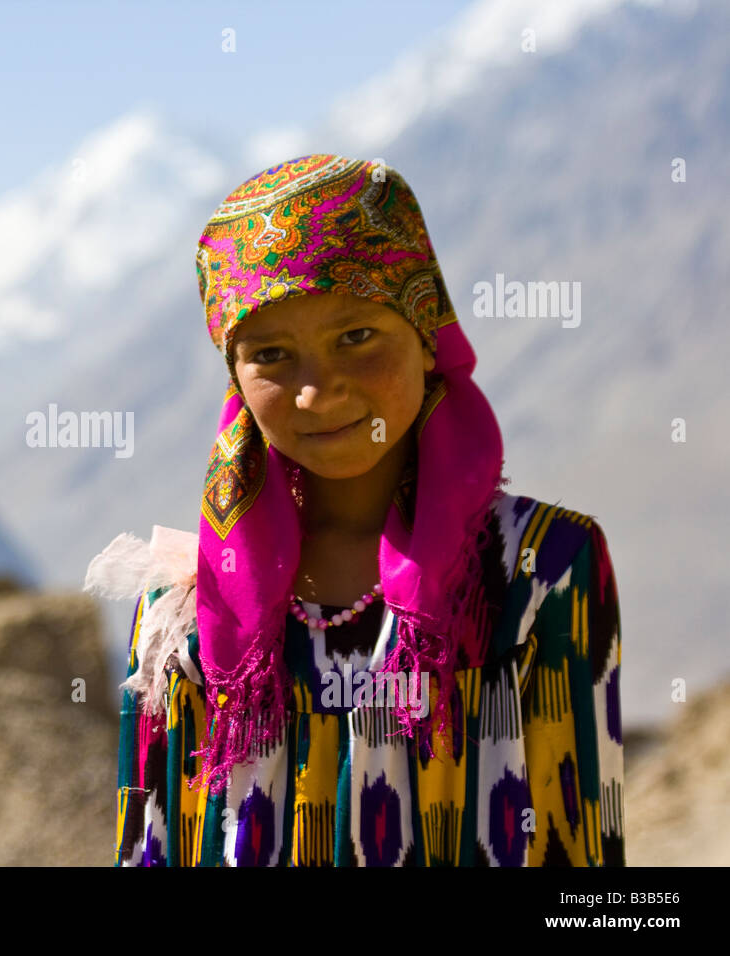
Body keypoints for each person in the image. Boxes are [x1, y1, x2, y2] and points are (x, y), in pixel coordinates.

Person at [85, 154, 623, 866]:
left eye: (357, 337)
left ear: (427, 332)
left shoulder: (541, 570)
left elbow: (584, 851)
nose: (316, 392)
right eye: (272, 354)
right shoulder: (183, 619)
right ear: (234, 376)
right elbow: (149, 849)